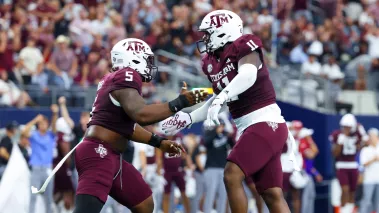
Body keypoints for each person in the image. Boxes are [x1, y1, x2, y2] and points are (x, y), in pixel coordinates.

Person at [161, 10, 291, 213]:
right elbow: (219, 100)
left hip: (266, 121)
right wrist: (189, 117)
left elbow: (248, 74)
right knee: (271, 194)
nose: (204, 38)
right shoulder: (210, 62)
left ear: (223, 31)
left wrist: (223, 95)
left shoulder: (244, 44)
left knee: (232, 174)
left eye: (208, 33)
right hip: (251, 127)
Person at [72, 38, 208, 213]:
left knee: (144, 204)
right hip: (99, 153)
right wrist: (180, 102)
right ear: (133, 58)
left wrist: (158, 142)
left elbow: (127, 126)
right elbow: (141, 115)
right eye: (146, 59)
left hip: (111, 155)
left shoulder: (114, 79)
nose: (150, 65)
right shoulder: (127, 75)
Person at [23, 105, 59, 213]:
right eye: (41, 123)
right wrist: (35, 120)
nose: (43, 125)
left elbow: (54, 126)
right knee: (33, 197)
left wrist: (55, 113)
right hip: (36, 169)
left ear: (47, 124)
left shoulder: (51, 135)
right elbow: (24, 132)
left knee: (48, 198)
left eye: (44, 123)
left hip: (48, 169)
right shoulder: (34, 135)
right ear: (38, 125)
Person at [330, 114, 366, 213]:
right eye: (345, 126)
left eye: (348, 126)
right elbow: (334, 153)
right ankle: (343, 210)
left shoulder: (357, 134)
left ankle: (349, 211)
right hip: (341, 165)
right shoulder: (337, 134)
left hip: (353, 165)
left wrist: (362, 133)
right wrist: (341, 140)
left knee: (352, 191)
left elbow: (364, 145)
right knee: (345, 190)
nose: (346, 128)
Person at [202, 119, 233, 213]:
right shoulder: (209, 133)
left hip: (223, 168)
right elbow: (206, 143)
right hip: (211, 168)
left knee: (223, 195)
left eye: (222, 125)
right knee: (210, 194)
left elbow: (233, 145)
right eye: (219, 125)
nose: (221, 127)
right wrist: (215, 132)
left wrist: (230, 136)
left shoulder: (226, 135)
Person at [157, 132, 191, 213]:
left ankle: (188, 211)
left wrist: (188, 162)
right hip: (166, 171)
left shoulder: (179, 137)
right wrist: (159, 169)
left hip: (178, 170)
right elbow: (158, 155)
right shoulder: (162, 138)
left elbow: (185, 152)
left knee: (183, 192)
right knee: (166, 194)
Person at [359, 128, 379, 213]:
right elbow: (363, 164)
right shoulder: (365, 150)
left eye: (373, 137)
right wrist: (373, 159)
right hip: (369, 180)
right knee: (366, 201)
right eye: (370, 137)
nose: (371, 138)